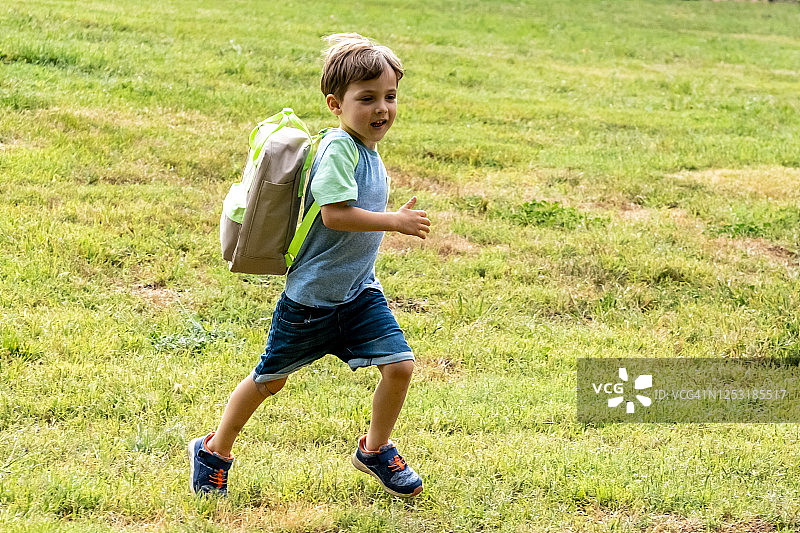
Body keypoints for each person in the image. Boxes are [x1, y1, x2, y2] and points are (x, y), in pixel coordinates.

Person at [189, 33, 431, 499]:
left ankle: (375, 450)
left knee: (400, 366)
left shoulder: (367, 149)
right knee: (269, 381)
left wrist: (389, 216)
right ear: (335, 104)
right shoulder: (340, 148)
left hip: (359, 293)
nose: (382, 109)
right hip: (312, 300)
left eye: (390, 97)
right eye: (367, 99)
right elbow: (334, 214)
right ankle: (214, 450)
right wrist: (394, 221)